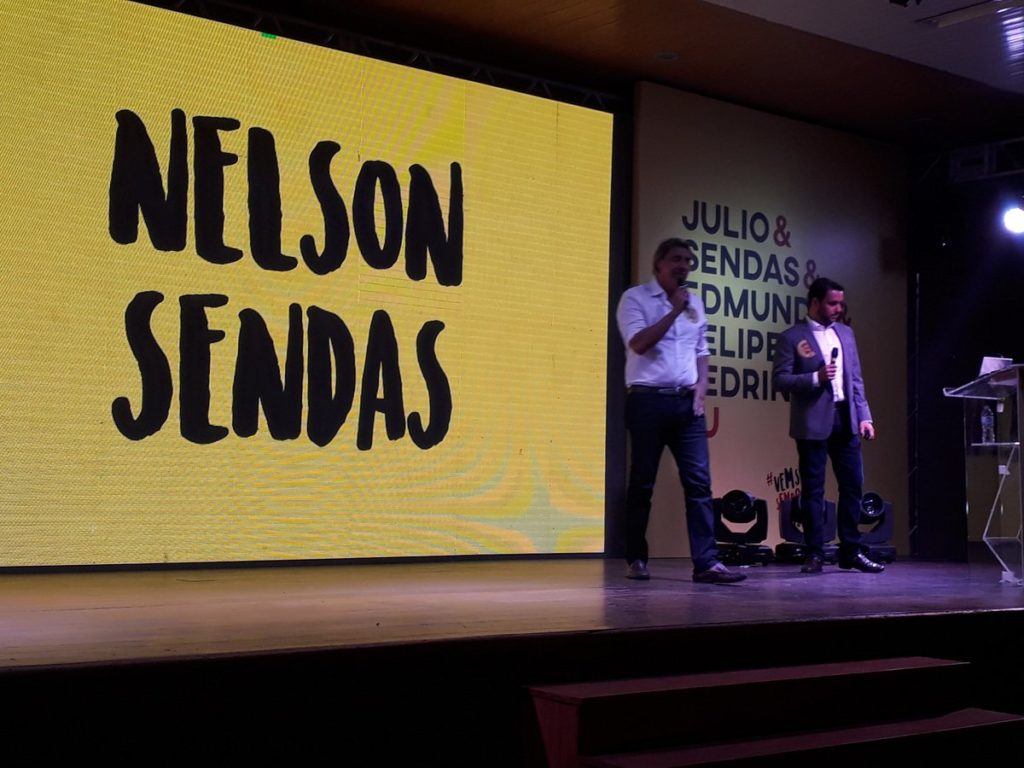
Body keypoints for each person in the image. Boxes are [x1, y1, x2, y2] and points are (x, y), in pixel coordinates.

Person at [615, 238, 745, 584]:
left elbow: (702, 350)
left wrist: (702, 386)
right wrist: (673, 310)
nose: (683, 265)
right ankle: (636, 558)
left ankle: (706, 563)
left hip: (687, 405)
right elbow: (639, 343)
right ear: (658, 264)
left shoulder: (695, 303)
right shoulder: (635, 298)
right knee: (642, 483)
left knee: (699, 484)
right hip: (647, 401)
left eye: (688, 260)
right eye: (676, 259)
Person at [772, 277, 884, 574]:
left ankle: (851, 550)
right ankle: (814, 553)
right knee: (813, 491)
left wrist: (865, 416)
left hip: (846, 418)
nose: (838, 309)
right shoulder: (792, 337)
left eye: (840, 304)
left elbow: (856, 379)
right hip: (812, 422)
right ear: (815, 302)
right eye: (832, 303)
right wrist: (815, 378)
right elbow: (780, 380)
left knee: (853, 485)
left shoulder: (845, 333)